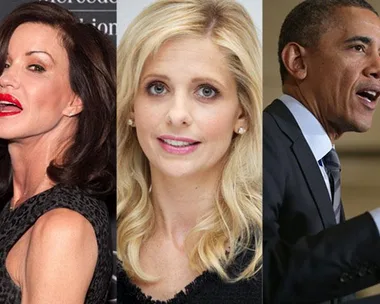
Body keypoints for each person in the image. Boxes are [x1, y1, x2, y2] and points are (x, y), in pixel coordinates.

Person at [117, 0, 262, 303]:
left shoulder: (275, 246)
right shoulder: (95, 234)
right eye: (157, 88)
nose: (177, 114)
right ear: (131, 105)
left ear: (242, 114)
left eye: (206, 91)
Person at [263, 0, 380, 303]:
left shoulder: (321, 159)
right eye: (358, 48)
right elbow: (260, 281)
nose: (377, 67)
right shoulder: (261, 139)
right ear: (297, 62)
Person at [0, 1, 115, 303]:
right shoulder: (15, 206)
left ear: (76, 99)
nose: (6, 79)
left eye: (35, 67)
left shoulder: (62, 226)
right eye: (6, 64)